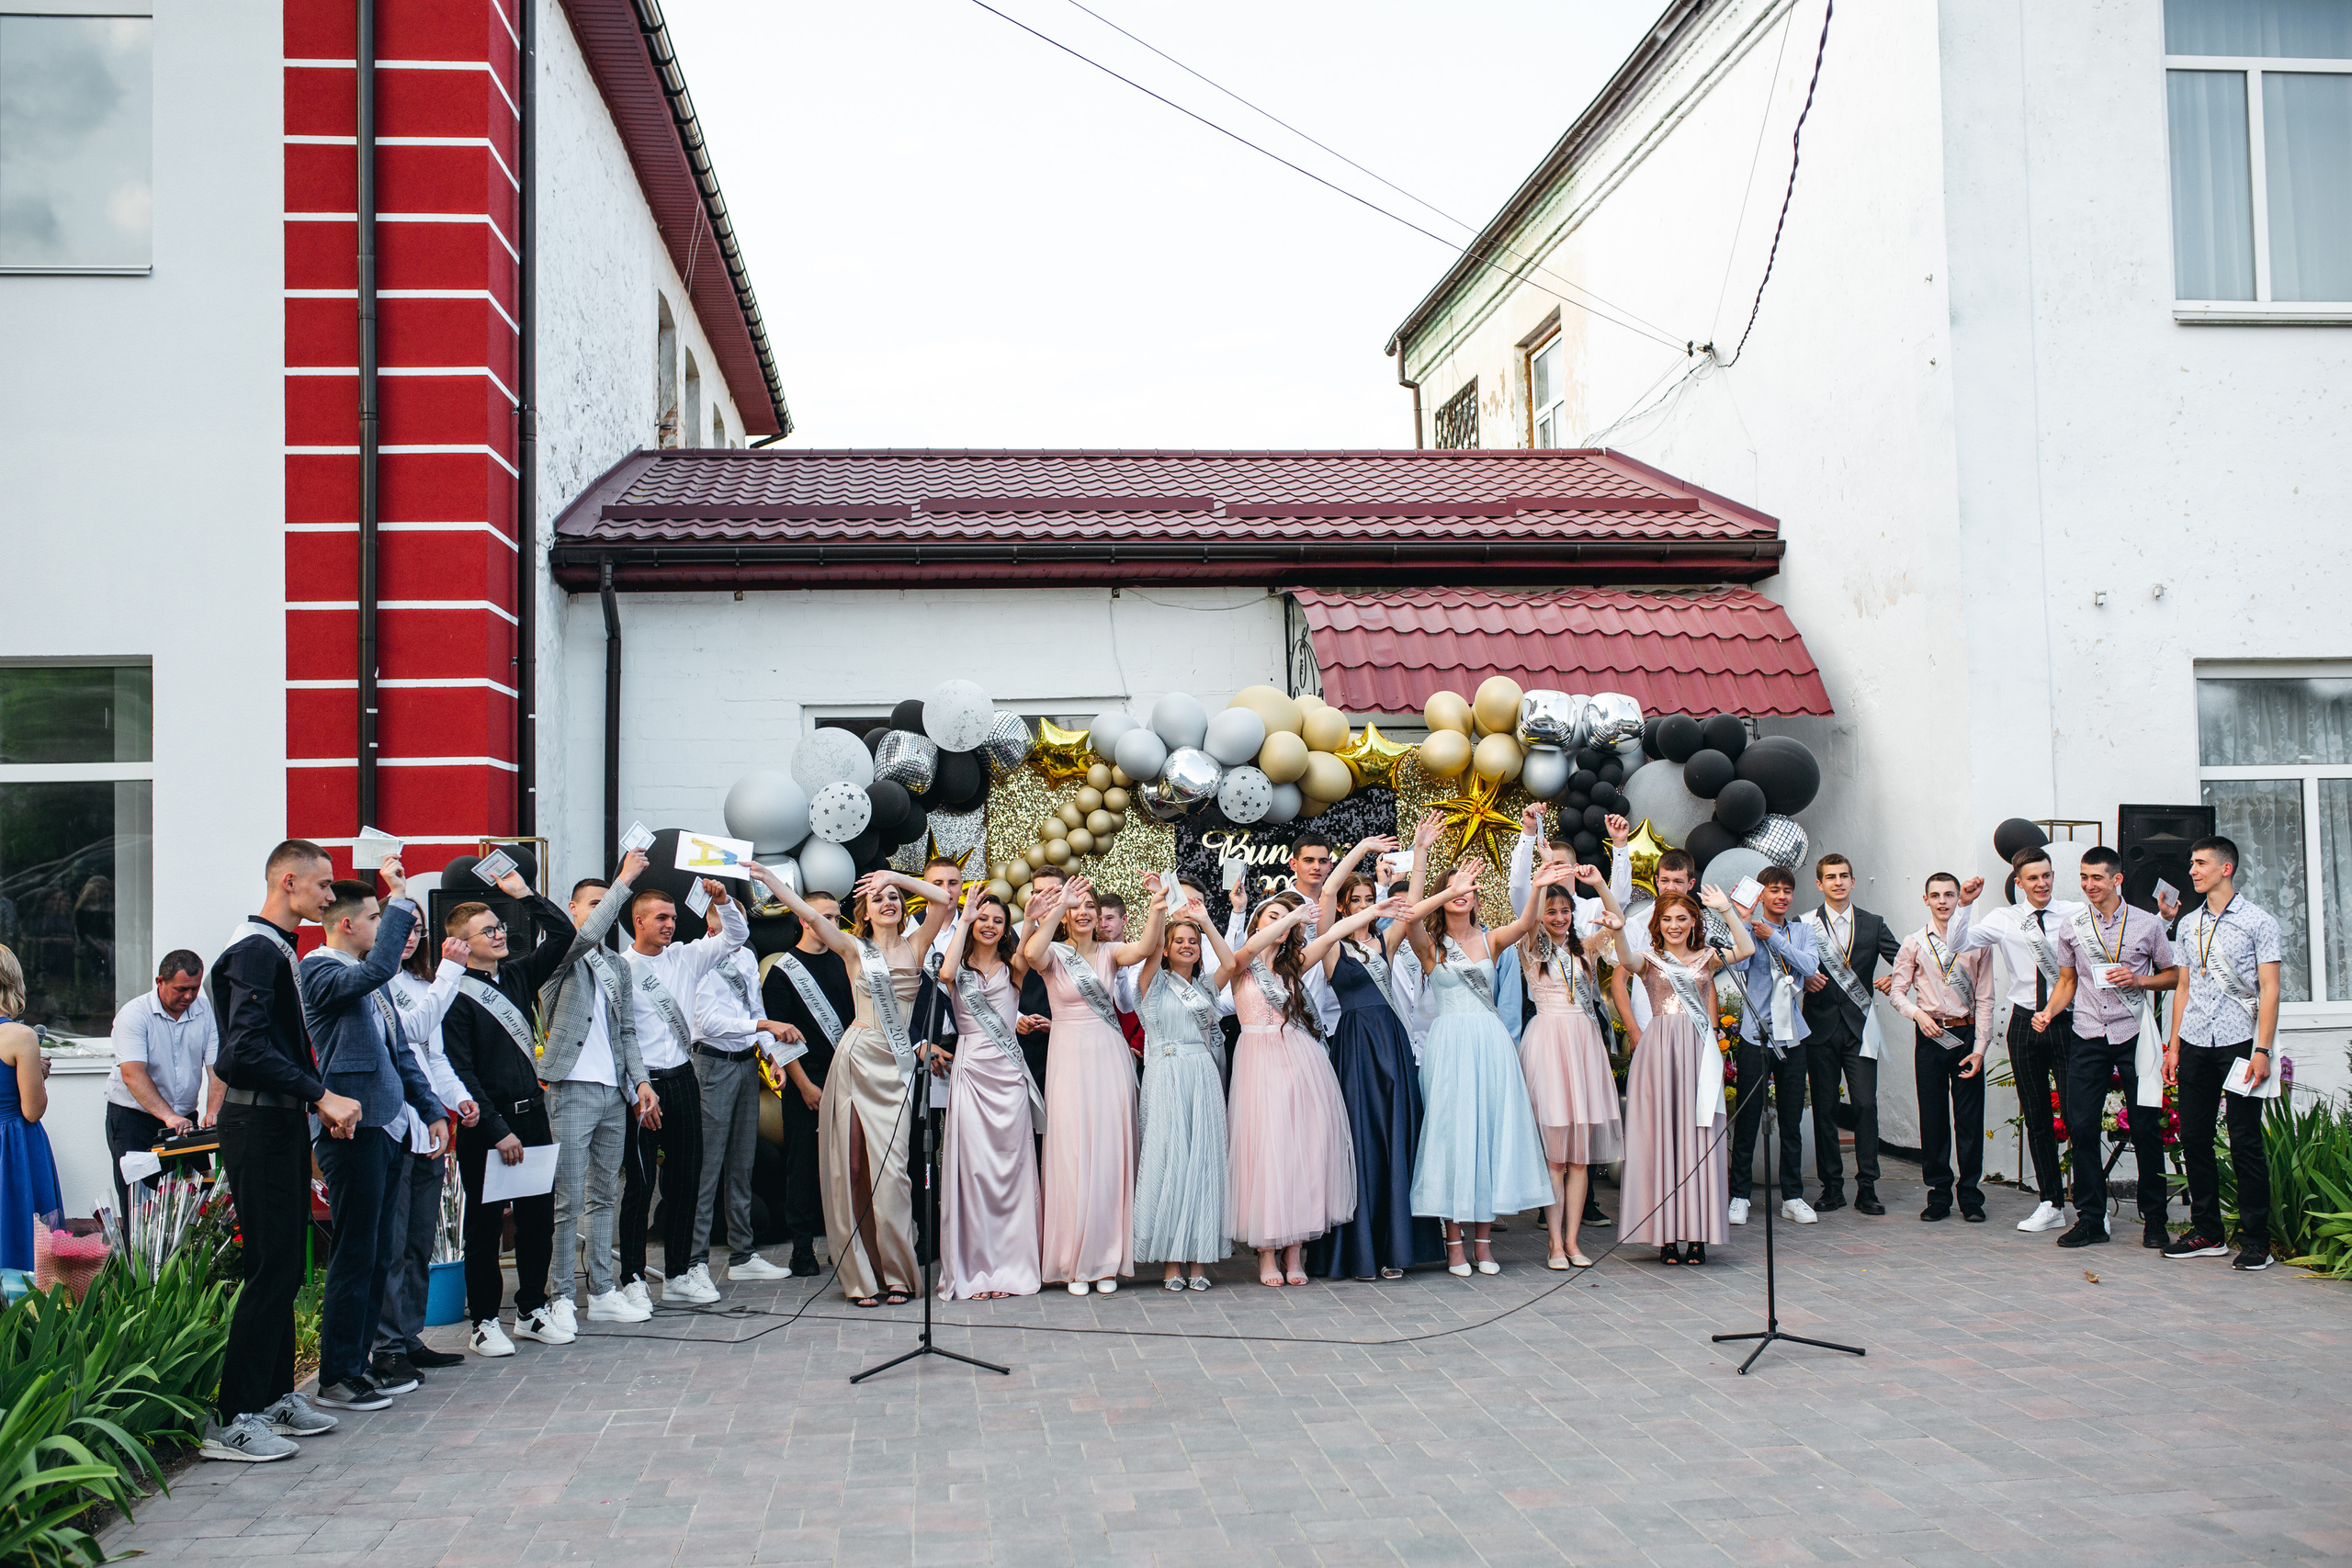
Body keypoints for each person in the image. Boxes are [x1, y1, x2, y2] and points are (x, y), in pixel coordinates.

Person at [203, 840, 358, 1461]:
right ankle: (230, 1419)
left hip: (277, 1122)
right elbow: (242, 1052)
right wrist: (321, 1093)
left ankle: (270, 1400)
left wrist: (312, 1099)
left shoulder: (273, 950)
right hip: (258, 1122)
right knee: (270, 1268)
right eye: (322, 886)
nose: (329, 897)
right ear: (288, 881)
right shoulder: (255, 950)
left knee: (287, 1267)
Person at [763, 863, 950, 1307]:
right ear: (863, 913)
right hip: (856, 1059)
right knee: (848, 1172)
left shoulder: (917, 944)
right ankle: (861, 1277)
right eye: (878, 898)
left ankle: (899, 1272)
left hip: (896, 1066)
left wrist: (894, 877)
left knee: (893, 1174)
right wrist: (771, 882)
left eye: (895, 899)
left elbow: (943, 902)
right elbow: (805, 914)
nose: (888, 903)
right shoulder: (852, 949)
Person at [298, 868, 448, 1413]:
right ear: (344, 923)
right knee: (355, 1255)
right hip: (350, 1131)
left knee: (379, 1253)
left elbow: (399, 1053)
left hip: (387, 1128)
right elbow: (385, 962)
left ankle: (360, 1365)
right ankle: (337, 1374)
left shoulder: (368, 977)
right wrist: (403, 897)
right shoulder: (318, 971)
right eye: (375, 918)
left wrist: (431, 1110)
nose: (383, 928)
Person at [1402, 856, 1557, 1278]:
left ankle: (1484, 1244)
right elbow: (1412, 914)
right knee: (1452, 1137)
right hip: (1450, 1044)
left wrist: (1539, 885)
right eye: (1456, 889)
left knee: (1488, 1133)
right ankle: (1454, 1245)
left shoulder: (1491, 941)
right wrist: (1448, 886)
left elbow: (1526, 924)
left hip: (1490, 1045)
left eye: (1470, 888)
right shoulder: (1430, 946)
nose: (1463, 894)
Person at [1303, 837, 1442, 1281]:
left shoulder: (1386, 942)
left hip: (1392, 1045)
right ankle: (1360, 1249)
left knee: (1395, 1139)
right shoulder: (1332, 944)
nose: (1365, 905)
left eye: (1369, 898)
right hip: (1356, 1046)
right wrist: (1361, 848)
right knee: (1361, 1143)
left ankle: (1396, 1247)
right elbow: (1325, 891)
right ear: (1345, 907)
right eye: (1356, 900)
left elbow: (1413, 904)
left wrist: (1419, 854)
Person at [534, 859, 658, 1320]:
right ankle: (561, 1295)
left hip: (613, 1093)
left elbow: (627, 1030)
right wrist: (624, 881)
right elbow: (585, 936)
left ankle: (602, 1290)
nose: (603, 910)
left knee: (606, 1193)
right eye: (594, 903)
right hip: (570, 1087)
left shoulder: (616, 966)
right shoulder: (559, 954)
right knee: (567, 1197)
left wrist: (640, 1081)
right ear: (573, 909)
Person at [616, 876, 748, 1306]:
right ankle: (633, 1277)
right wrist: (636, 1089)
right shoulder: (621, 967)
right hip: (643, 1084)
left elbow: (737, 935)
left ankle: (681, 1272)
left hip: (683, 1078)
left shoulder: (687, 957)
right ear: (638, 921)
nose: (670, 924)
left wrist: (724, 901)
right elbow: (620, 1035)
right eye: (661, 918)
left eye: (673, 917)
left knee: (686, 1179)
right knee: (640, 1184)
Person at [2041, 844, 2180, 1250]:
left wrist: (2138, 981)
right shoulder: (2071, 926)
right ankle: (2091, 1219)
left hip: (2134, 1034)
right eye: (2083, 878)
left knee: (2146, 1128)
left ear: (2117, 879)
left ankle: (2154, 1218)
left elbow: (2172, 977)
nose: (2088, 885)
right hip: (2087, 1034)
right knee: (2081, 1126)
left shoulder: (2146, 925)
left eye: (2096, 878)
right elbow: (2067, 982)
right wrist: (2049, 1013)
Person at [1023, 874, 1157, 1293]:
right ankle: (1072, 1261)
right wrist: (1059, 904)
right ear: (1065, 915)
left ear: (1100, 916)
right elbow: (1031, 952)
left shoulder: (1111, 952)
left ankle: (1106, 1261)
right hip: (1068, 1058)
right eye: (1075, 907)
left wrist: (1156, 905)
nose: (1083, 913)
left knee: (1108, 1154)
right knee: (1071, 1154)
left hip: (1109, 1057)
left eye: (1089, 907)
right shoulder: (1055, 954)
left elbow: (1146, 948)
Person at [1219, 891, 1355, 1287]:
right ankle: (1266, 1253)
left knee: (1300, 1151)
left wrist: (1378, 909)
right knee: (1265, 1151)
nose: (1281, 922)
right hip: (1256, 1061)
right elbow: (1250, 948)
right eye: (1272, 915)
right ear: (1259, 922)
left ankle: (1294, 1249)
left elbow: (1330, 937)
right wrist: (1293, 913)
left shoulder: (1292, 965)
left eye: (1287, 917)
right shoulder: (1241, 963)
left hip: (1299, 1060)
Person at [1611, 888, 1753, 1264]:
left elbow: (1747, 949)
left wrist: (1726, 910)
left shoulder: (1708, 958)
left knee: (1698, 1138)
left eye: (1682, 919)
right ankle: (1666, 1235)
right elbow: (1624, 959)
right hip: (1659, 1051)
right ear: (1658, 924)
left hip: (1697, 1052)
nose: (1674, 926)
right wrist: (1619, 930)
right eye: (1667, 919)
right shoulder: (1649, 960)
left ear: (1694, 924)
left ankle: (1697, 1234)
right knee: (1661, 1139)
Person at [2162, 835, 2282, 1270]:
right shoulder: (2189, 923)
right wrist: (2173, 1046)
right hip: (2195, 1041)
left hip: (2239, 1043)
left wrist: (2262, 1049)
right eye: (2192, 864)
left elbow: (2270, 990)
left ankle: (2255, 1241)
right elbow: (2184, 987)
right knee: (2194, 1138)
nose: (2192, 871)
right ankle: (2207, 1232)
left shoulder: (2259, 922)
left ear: (2225, 868)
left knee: (2245, 1141)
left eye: (2200, 863)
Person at [1951, 849, 2085, 1235]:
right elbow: (1958, 943)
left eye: (2046, 876)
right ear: (2019, 883)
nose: (2041, 884)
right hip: (2025, 1022)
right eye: (2033, 878)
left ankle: (2091, 1204)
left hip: (2067, 1021)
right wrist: (1963, 904)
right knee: (2037, 1116)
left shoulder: (2075, 913)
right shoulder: (2004, 919)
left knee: (2078, 1117)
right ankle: (2051, 1202)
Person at [371, 923, 473, 1388]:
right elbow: (410, 1029)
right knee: (391, 1246)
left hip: (429, 1126)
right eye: (399, 927)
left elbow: (434, 1056)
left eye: (418, 929)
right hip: (394, 1126)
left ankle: (409, 1335)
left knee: (418, 1242)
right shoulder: (373, 981)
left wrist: (458, 1096)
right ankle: (385, 1346)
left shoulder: (420, 982)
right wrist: (452, 972)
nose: (410, 936)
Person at [1512, 862, 1628, 1269]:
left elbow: (1617, 921)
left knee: (1580, 1159)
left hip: (1583, 1043)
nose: (1560, 919)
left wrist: (1599, 884)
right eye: (1552, 912)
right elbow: (1525, 918)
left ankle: (1574, 1242)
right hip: (1548, 1043)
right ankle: (1554, 1244)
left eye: (1565, 912)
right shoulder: (1530, 947)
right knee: (1555, 1158)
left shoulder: (1586, 948)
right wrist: (1537, 885)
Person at [933, 888, 1044, 1300]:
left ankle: (1011, 1269)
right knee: (974, 1173)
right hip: (971, 1070)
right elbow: (944, 976)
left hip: (1008, 1075)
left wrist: (1029, 918)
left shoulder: (1012, 966)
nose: (990, 925)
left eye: (998, 920)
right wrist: (962, 917)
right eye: (984, 918)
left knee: (1011, 1171)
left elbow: (1026, 957)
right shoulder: (957, 970)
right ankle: (977, 1270)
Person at [689, 908, 804, 1286]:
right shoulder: (699, 956)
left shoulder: (747, 956)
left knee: (742, 1161)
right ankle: (694, 1262)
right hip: (712, 1064)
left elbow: (755, 1009)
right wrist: (763, 1026)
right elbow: (708, 1022)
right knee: (707, 1165)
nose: (740, 925)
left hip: (743, 1063)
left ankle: (742, 1253)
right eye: (730, 919)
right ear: (713, 925)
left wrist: (773, 1055)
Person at [1132, 878, 1236, 1291]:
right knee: (1169, 1163)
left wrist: (1205, 921)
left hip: (1202, 1078)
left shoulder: (1207, 986)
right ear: (1168, 947)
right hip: (1165, 1076)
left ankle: (1198, 1259)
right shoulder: (1152, 982)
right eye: (1180, 941)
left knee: (1202, 1163)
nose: (1187, 946)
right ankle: (1171, 1261)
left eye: (1192, 942)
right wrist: (1160, 909)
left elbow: (1229, 964)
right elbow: (1149, 948)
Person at [1885, 874, 1995, 1222]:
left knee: (1969, 1120)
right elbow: (1896, 991)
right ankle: (1938, 1194)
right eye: (1936, 895)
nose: (1944, 901)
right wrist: (1917, 1015)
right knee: (1933, 1118)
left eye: (1951, 894)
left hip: (1965, 1036)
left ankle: (1971, 1196)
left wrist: (1980, 1048)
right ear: (1926, 899)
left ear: (1960, 897)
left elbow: (1986, 998)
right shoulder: (1914, 942)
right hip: (1930, 1036)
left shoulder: (1977, 941)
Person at [1798, 854, 1901, 1216]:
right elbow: (1786, 966)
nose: (1838, 882)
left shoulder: (1873, 924)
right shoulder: (1805, 924)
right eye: (1830, 877)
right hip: (1819, 1028)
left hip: (1860, 1030)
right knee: (1825, 1109)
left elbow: (1906, 959)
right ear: (1819, 884)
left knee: (1865, 1106)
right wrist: (1802, 978)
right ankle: (1832, 1187)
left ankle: (1868, 1188)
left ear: (1853, 882)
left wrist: (1896, 979)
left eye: (1844, 876)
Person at [761, 891, 851, 1278]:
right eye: (824, 916)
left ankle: (842, 1244)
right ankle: (801, 1249)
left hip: (847, 1078)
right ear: (803, 918)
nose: (832, 922)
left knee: (845, 1168)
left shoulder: (846, 962)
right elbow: (780, 1040)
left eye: (836, 916)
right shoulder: (783, 970)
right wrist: (803, 1085)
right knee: (804, 1167)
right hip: (806, 1084)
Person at [1725, 865, 1820, 1226]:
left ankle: (1793, 1196)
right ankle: (1740, 1196)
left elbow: (1810, 966)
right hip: (1756, 1034)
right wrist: (1744, 920)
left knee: (1792, 1118)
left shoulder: (1802, 931)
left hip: (1793, 1036)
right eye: (1774, 890)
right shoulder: (1748, 930)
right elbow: (1739, 959)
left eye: (1786, 890)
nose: (1781, 896)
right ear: (1760, 894)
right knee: (1749, 1117)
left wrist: (1775, 938)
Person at [105, 950, 223, 1214]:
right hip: (134, 1119)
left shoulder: (206, 1012)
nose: (189, 997)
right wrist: (168, 1116)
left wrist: (213, 1110)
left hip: (184, 1120)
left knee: (200, 1196)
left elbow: (217, 1068)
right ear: (160, 981)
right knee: (140, 1202)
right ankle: (140, 1256)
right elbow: (133, 1075)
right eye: (181, 989)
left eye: (194, 989)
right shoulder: (134, 1014)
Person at [0, 945, 62, 1275]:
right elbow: (32, 1110)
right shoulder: (20, 1036)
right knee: (21, 1230)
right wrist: (38, 1074)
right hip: (13, 1148)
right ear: (12, 982)